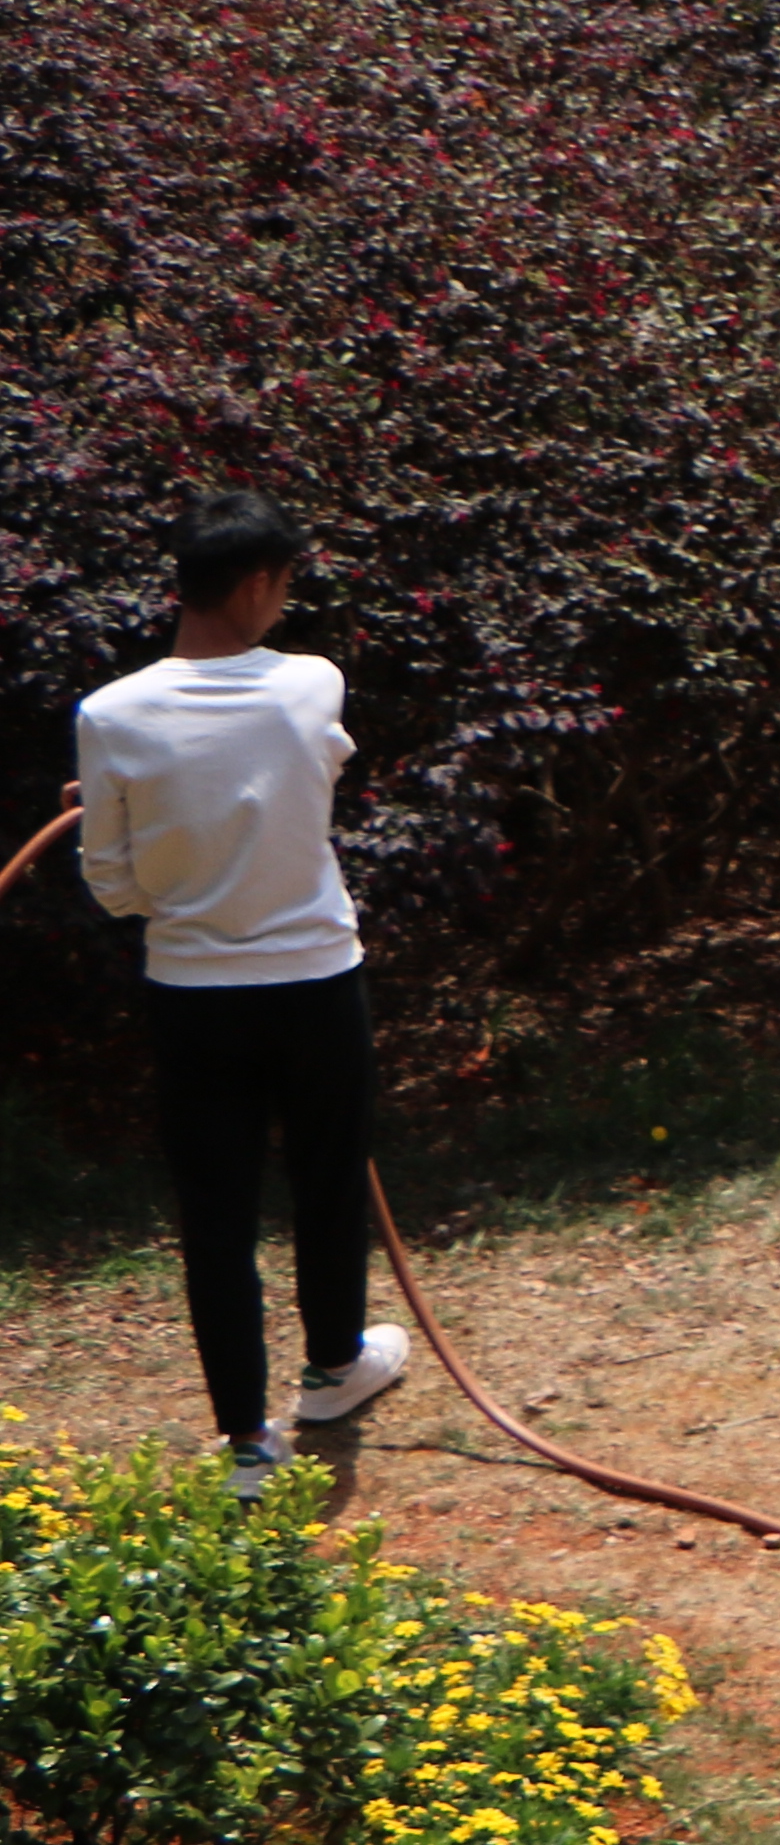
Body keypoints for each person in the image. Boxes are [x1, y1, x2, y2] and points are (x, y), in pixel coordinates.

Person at [72, 488, 407, 1495]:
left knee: (216, 1210)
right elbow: (298, 781)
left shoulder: (110, 713)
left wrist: (156, 862)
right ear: (256, 582)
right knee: (328, 1177)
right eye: (285, 585)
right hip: (315, 980)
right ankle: (335, 1368)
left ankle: (246, 1444)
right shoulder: (313, 682)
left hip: (193, 993)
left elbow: (112, 883)